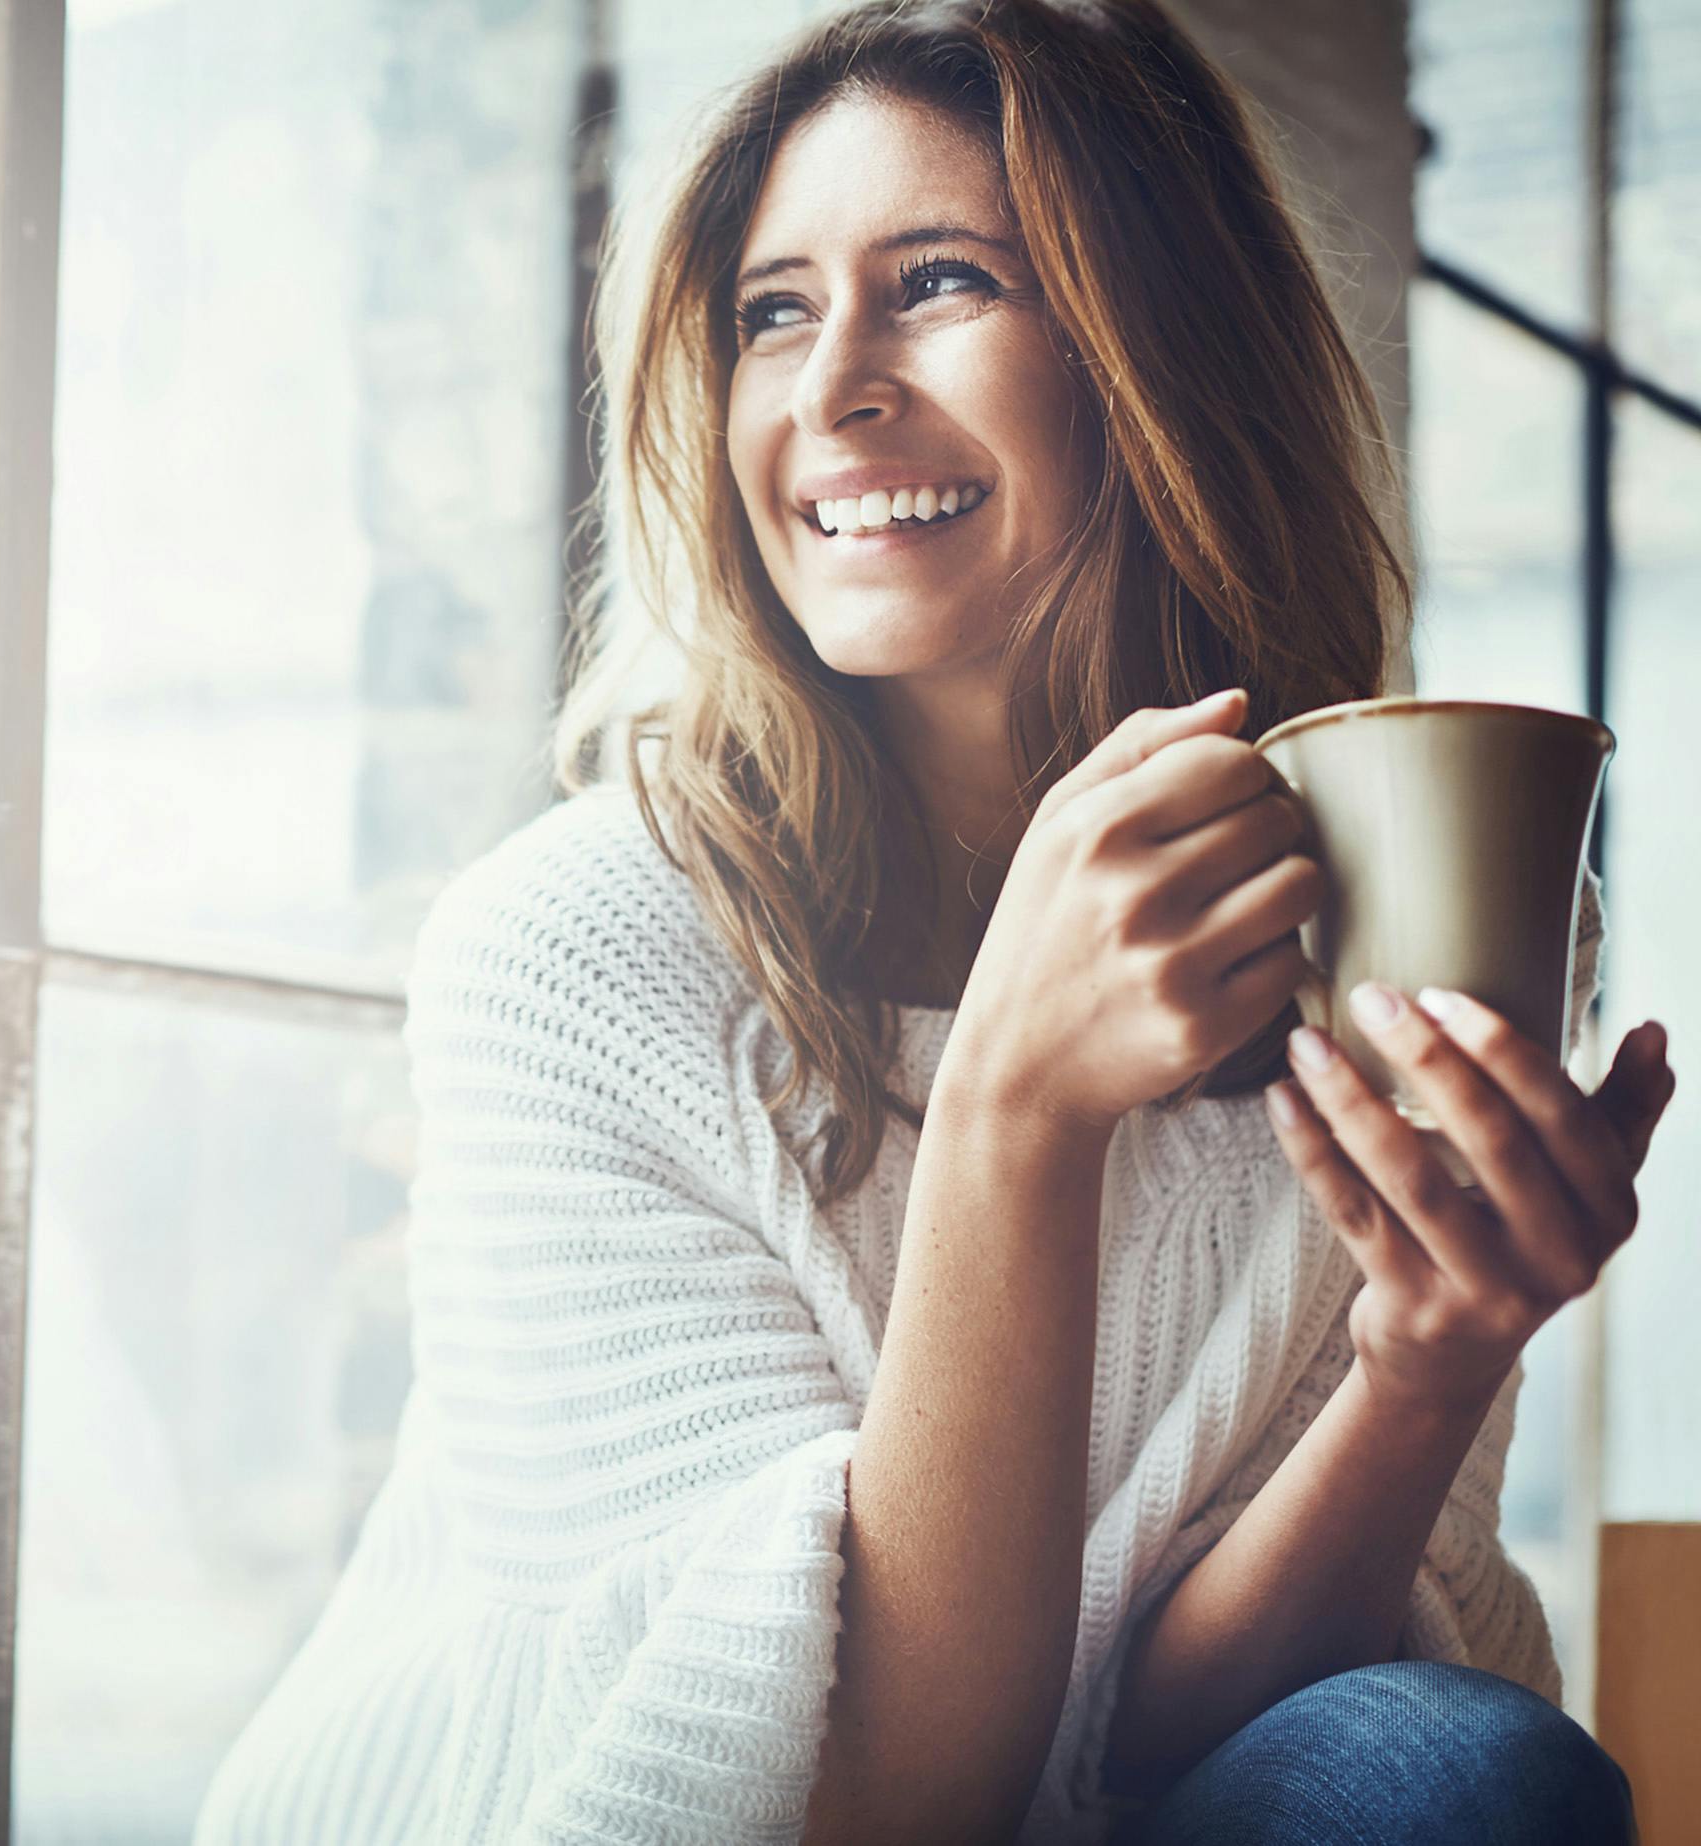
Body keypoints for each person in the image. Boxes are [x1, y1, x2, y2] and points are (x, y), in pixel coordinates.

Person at [195, 1, 1675, 1840]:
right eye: (774, 312)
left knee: (1453, 1772)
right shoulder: (570, 954)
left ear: (1165, 360)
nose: (830, 393)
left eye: (944, 282)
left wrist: (1427, 1355)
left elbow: (1162, 1734)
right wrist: (1011, 1108)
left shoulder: (1389, 922)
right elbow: (865, 1798)